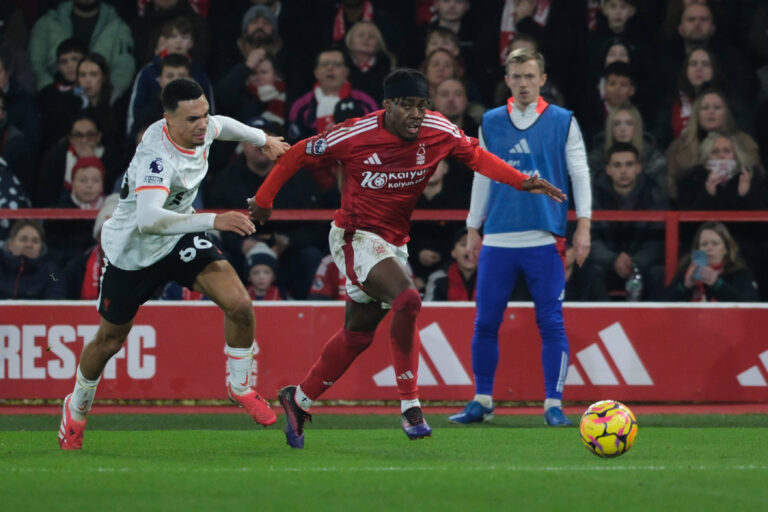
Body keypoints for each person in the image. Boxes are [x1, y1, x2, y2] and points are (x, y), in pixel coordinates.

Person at [249, 68, 565, 448]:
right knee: (408, 298)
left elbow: (477, 157)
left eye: (421, 105)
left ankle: (298, 399)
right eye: (407, 105)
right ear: (388, 105)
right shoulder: (355, 134)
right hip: (355, 237)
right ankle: (410, 405)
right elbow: (299, 152)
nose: (416, 114)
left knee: (357, 335)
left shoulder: (439, 130)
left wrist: (521, 180)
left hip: (394, 242)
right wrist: (264, 200)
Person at [57, 77, 290, 450]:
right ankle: (77, 407)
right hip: (133, 252)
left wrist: (262, 139)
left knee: (239, 304)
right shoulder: (157, 158)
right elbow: (150, 220)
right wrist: (215, 220)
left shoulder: (202, 126)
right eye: (193, 119)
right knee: (109, 341)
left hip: (177, 236)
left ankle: (240, 387)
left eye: (204, 114)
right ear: (168, 120)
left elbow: (223, 125)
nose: (203, 124)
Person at [448, 48, 591, 427]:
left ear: (542, 79)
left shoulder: (563, 120)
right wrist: (473, 226)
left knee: (551, 322)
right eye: (517, 76)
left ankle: (553, 404)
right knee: (485, 322)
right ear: (507, 80)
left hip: (544, 236)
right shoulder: (491, 121)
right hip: (498, 236)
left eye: (530, 76)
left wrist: (584, 224)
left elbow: (580, 173)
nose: (524, 83)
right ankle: (482, 400)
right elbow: (481, 175)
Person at [588, 143, 666, 301]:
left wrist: (636, 263)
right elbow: (590, 238)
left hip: (642, 266)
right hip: (606, 265)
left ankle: (654, 318)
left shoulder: (655, 195)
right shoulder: (592, 197)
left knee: (659, 273)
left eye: (629, 164)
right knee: (590, 271)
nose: (623, 171)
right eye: (617, 165)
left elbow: (658, 241)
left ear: (639, 168)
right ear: (608, 169)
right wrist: (612, 260)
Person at [28, 0, 135, 98]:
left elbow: (124, 68)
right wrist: (51, 91)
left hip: (102, 101)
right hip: (52, 98)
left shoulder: (118, 27)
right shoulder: (47, 23)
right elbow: (35, 63)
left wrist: (106, 96)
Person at [662, 222, 759, 302]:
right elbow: (663, 305)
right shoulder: (688, 271)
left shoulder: (739, 272)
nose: (709, 248)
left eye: (715, 244)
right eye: (704, 244)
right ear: (697, 249)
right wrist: (686, 286)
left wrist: (717, 284)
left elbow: (751, 306)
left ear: (725, 249)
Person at [0, 220, 66, 300]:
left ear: (41, 247)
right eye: (23, 239)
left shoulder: (52, 273)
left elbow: (55, 300)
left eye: (35, 241)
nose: (29, 245)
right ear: (10, 244)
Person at [424, 228, 478, 301]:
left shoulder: (491, 278)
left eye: (475, 245)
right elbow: (429, 307)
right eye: (464, 244)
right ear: (453, 252)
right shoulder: (438, 278)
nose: (469, 249)